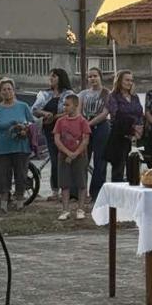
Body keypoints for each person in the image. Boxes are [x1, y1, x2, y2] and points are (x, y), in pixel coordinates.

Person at [32, 68, 76, 201]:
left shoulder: (69, 94)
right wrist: (45, 114)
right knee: (55, 160)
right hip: (50, 131)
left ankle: (68, 190)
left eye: (54, 76)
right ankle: (55, 190)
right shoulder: (44, 94)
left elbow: (71, 111)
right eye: (50, 76)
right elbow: (34, 110)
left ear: (61, 78)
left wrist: (55, 116)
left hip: (66, 131)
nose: (51, 78)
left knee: (66, 159)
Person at [0, 79, 35, 213]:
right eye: (4, 90)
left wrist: (25, 129)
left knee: (21, 174)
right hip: (1, 148)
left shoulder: (23, 106)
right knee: (3, 176)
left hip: (20, 147)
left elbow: (32, 123)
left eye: (9, 89)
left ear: (14, 90)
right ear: (0, 92)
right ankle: (4, 204)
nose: (7, 92)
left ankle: (20, 202)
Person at [53, 93, 91, 221]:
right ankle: (65, 210)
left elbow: (85, 140)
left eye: (67, 105)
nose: (65, 107)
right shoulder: (60, 121)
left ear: (75, 105)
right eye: (64, 105)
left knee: (81, 182)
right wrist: (68, 153)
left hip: (80, 156)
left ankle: (81, 209)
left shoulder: (82, 121)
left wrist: (76, 153)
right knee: (64, 183)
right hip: (63, 156)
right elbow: (57, 139)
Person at [105, 70, 144, 184]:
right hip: (120, 136)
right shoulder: (113, 96)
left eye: (131, 80)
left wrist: (139, 128)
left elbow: (139, 113)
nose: (129, 83)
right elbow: (116, 115)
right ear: (119, 81)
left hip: (136, 137)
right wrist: (133, 127)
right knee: (118, 170)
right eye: (127, 80)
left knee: (134, 169)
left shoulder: (135, 97)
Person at [79, 67, 111, 200]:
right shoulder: (83, 94)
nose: (92, 79)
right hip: (84, 127)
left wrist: (90, 123)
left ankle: (97, 193)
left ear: (100, 77)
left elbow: (105, 112)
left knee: (100, 161)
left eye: (95, 76)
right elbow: (79, 111)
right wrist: (83, 124)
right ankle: (81, 192)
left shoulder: (107, 93)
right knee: (83, 160)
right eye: (90, 76)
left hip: (101, 127)